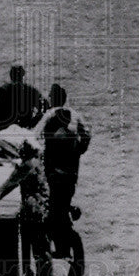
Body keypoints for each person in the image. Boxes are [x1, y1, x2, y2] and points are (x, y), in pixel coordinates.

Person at [34, 84, 91, 257]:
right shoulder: (75, 114)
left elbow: (34, 136)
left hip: (53, 170)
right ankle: (66, 242)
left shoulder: (49, 115)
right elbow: (87, 134)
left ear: (53, 99)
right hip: (72, 169)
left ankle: (59, 249)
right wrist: (80, 150)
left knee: (53, 205)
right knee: (64, 201)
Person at [0, 135, 50, 276]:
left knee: (33, 250)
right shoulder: (39, 163)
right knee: (41, 251)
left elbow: (10, 183)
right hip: (42, 209)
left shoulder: (28, 165)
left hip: (32, 211)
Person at [0, 65, 47, 130]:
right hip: (24, 128)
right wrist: (33, 122)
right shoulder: (30, 90)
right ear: (23, 76)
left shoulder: (4, 90)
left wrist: (2, 121)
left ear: (11, 76)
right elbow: (44, 106)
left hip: (6, 128)